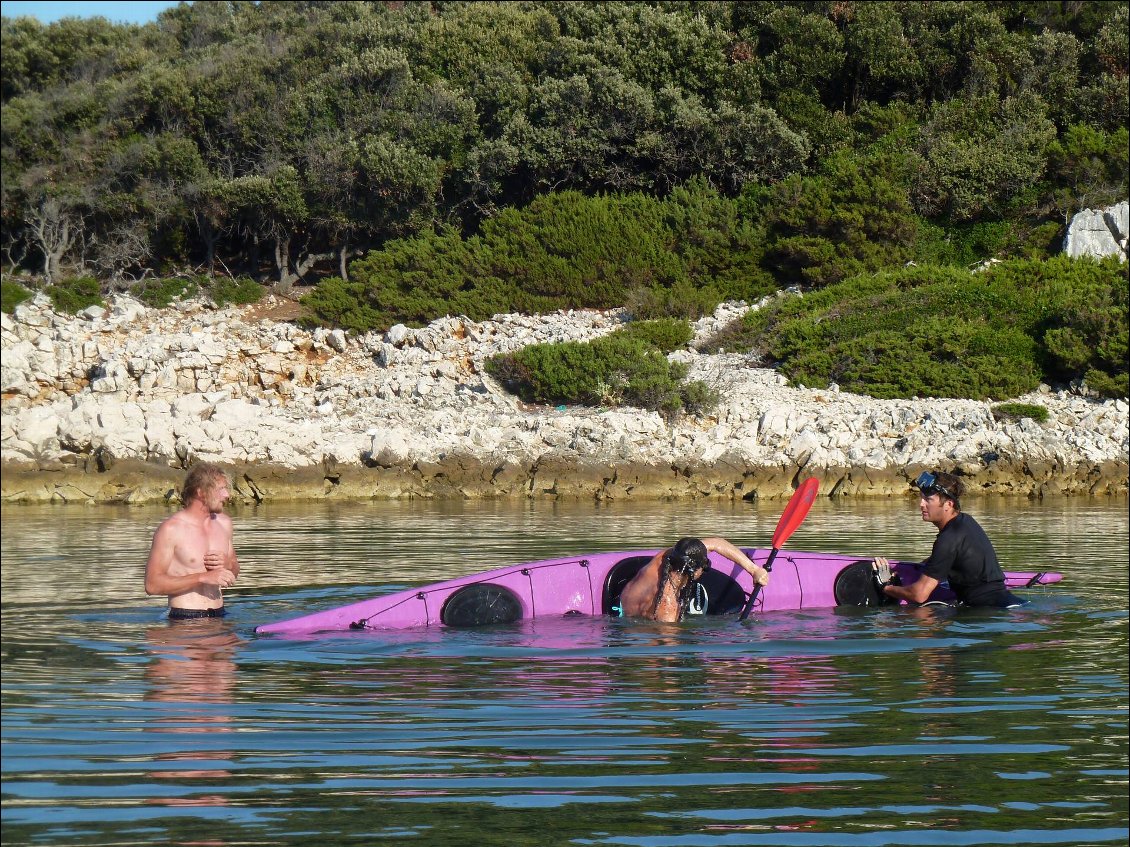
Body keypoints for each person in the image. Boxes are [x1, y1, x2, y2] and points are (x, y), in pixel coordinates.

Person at [873, 470, 1022, 608]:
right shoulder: (966, 521)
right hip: (1008, 602)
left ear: (948, 505)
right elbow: (953, 556)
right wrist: (925, 565)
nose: (921, 504)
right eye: (922, 498)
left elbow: (919, 595)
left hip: (988, 613)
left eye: (928, 499)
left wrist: (886, 587)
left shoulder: (948, 539)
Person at [145, 462, 240, 619]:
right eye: (220, 490)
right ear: (201, 493)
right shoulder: (171, 529)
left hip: (220, 615)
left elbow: (234, 568)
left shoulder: (224, 524)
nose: (227, 495)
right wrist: (202, 577)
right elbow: (152, 585)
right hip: (185, 619)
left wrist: (228, 564)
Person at [619, 537, 770, 622]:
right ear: (693, 570)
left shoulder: (668, 555)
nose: (704, 571)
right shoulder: (668, 608)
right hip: (630, 621)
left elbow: (716, 543)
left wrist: (754, 570)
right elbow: (668, 652)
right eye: (704, 567)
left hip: (623, 598)